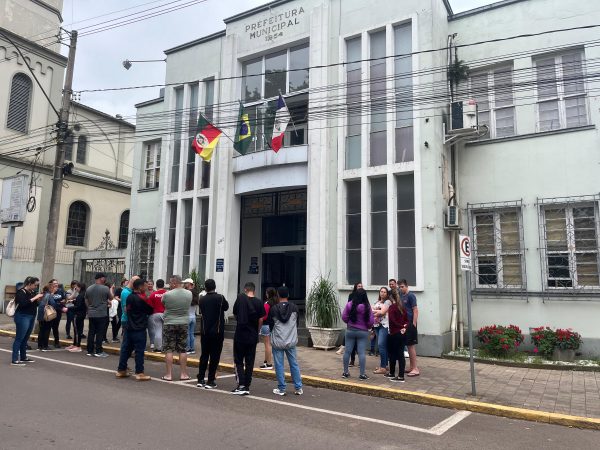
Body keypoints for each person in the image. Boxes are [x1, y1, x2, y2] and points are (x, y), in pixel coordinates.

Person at [268, 286, 303, 396]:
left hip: (278, 341)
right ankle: (298, 388)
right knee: (294, 364)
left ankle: (282, 388)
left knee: (279, 365)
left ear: (278, 295)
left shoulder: (273, 309)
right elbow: (296, 324)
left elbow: (270, 325)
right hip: (291, 341)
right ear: (288, 295)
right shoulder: (295, 308)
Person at [115, 278, 153, 381]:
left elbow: (127, 310)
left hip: (129, 326)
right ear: (140, 287)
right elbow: (150, 310)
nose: (146, 288)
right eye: (145, 286)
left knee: (126, 349)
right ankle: (139, 372)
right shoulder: (142, 298)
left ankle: (121, 369)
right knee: (139, 351)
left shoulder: (129, 297)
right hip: (139, 328)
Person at [231, 282, 265, 395]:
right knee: (250, 361)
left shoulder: (240, 300)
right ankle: (246, 386)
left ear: (245, 289)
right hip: (252, 335)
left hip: (240, 334)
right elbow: (261, 319)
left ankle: (240, 384)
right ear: (254, 290)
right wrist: (257, 330)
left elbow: (235, 314)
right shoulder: (259, 302)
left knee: (238, 360)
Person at [197, 279, 229, 389]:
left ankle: (200, 378)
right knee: (215, 356)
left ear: (205, 288)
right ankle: (210, 380)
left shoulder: (202, 299)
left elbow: (201, 311)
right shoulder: (220, 297)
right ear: (215, 287)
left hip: (205, 331)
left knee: (204, 355)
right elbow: (226, 307)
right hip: (217, 331)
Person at [161, 275, 192, 381]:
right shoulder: (189, 293)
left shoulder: (167, 294)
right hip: (183, 322)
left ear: (174, 283)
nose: (169, 285)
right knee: (182, 349)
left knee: (169, 349)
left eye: (170, 283)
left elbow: (163, 304)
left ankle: (168, 374)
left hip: (169, 322)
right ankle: (183, 374)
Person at [341, 288, 374, 380]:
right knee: (361, 353)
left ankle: (345, 372)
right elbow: (371, 321)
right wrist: (366, 326)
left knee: (347, 351)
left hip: (350, 330)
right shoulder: (367, 306)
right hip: (363, 332)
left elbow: (344, 317)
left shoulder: (350, 304)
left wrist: (349, 322)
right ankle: (362, 374)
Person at [11, 276, 43, 365]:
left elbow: (34, 304)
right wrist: (35, 297)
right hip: (22, 316)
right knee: (19, 338)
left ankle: (23, 357)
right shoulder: (21, 292)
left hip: (31, 316)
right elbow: (23, 304)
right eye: (35, 285)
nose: (36, 287)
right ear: (29, 284)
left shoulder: (32, 292)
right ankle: (14, 359)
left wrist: (38, 299)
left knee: (25, 338)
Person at [85, 272, 114, 358]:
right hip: (101, 313)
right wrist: (111, 289)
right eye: (104, 278)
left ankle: (90, 351)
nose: (105, 279)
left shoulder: (89, 288)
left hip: (91, 313)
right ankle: (98, 351)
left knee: (91, 332)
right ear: (101, 278)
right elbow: (111, 298)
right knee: (100, 333)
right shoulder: (105, 288)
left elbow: (86, 300)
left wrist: (90, 307)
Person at [386, 288, 409, 382]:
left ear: (391, 297)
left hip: (394, 333)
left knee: (392, 353)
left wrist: (400, 327)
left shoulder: (392, 308)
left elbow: (392, 321)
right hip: (402, 333)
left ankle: (396, 375)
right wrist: (404, 327)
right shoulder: (402, 307)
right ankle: (398, 375)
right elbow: (407, 320)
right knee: (400, 354)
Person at [336, 282, 363, 359]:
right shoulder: (351, 295)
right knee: (348, 332)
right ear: (355, 287)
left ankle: (357, 351)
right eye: (359, 286)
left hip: (360, 319)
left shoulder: (363, 295)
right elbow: (349, 306)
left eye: (361, 286)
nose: (360, 287)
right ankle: (343, 347)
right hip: (352, 317)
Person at [399, 279, 420, 377]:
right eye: (400, 287)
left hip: (411, 324)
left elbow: (415, 310)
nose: (401, 288)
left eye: (402, 286)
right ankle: (411, 367)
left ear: (407, 286)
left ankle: (415, 369)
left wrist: (414, 324)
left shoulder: (411, 296)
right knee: (408, 345)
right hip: (404, 324)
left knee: (411, 346)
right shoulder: (401, 296)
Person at [372, 287, 391, 374]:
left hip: (384, 326)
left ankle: (382, 367)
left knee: (381, 345)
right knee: (384, 346)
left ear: (387, 294)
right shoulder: (377, 302)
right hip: (377, 326)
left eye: (384, 292)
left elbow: (382, 312)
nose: (382, 293)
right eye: (381, 291)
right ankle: (385, 365)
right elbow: (371, 312)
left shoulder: (388, 302)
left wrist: (375, 311)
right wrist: (377, 311)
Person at [37, 282, 59, 351]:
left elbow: (38, 303)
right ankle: (45, 346)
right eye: (53, 287)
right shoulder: (49, 295)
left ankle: (39, 346)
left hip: (40, 315)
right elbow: (53, 304)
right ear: (50, 288)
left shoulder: (41, 295)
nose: (54, 289)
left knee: (41, 330)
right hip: (47, 315)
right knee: (47, 330)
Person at [259, 287, 277, 370]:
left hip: (266, 325)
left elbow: (264, 316)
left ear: (268, 294)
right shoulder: (275, 303)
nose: (265, 294)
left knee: (267, 345)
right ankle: (265, 362)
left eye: (266, 292)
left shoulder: (267, 303)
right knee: (268, 345)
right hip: (272, 325)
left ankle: (269, 364)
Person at [147, 279, 167, 352]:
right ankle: (165, 347)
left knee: (158, 331)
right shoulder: (167, 293)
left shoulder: (153, 294)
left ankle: (158, 348)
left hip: (156, 314)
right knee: (165, 331)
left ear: (156, 285)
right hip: (166, 314)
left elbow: (149, 306)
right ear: (164, 285)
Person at [67, 282, 87, 352]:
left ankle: (78, 346)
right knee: (78, 330)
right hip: (82, 314)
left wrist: (68, 308)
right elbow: (79, 303)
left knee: (77, 331)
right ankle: (75, 344)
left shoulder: (81, 295)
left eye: (77, 287)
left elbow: (78, 306)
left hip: (78, 314)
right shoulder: (83, 294)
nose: (76, 289)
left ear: (79, 287)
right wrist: (72, 301)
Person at [183, 278, 199, 354]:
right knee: (192, 333)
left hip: (187, 317)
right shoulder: (196, 294)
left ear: (189, 284)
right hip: (193, 317)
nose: (184, 284)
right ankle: (192, 348)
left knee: (187, 334)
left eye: (185, 283)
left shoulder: (187, 293)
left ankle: (188, 349)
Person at [49, 279, 66, 348]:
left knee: (55, 327)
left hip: (58, 311)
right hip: (50, 311)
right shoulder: (49, 291)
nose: (56, 284)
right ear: (51, 284)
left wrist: (63, 301)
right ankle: (43, 343)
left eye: (57, 283)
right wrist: (53, 293)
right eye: (54, 283)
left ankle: (56, 342)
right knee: (48, 326)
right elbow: (47, 299)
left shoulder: (60, 291)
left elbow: (65, 298)